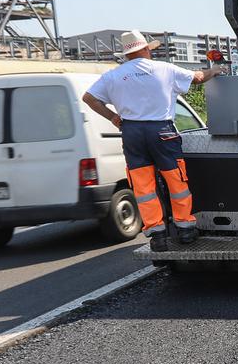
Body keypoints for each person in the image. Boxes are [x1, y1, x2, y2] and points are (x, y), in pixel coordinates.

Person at [82, 30, 225, 253]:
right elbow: (197, 77)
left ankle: (157, 235)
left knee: (143, 186)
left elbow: (89, 98)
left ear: (127, 54)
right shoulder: (163, 69)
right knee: (175, 180)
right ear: (147, 49)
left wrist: (112, 117)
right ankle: (185, 228)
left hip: (132, 132)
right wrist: (215, 70)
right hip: (162, 131)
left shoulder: (114, 76)